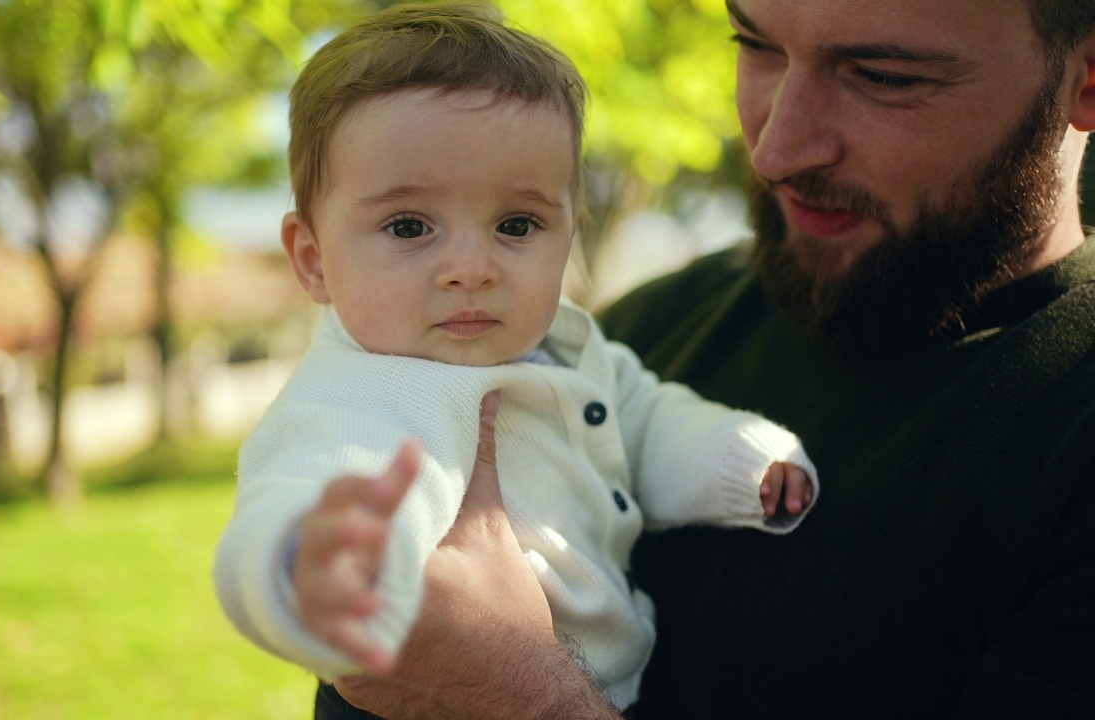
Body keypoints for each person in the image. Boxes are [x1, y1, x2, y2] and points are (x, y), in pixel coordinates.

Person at [328, 0, 1095, 717]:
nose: (776, 148)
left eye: (883, 77)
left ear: (1084, 80)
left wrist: (528, 699)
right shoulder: (644, 332)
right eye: (756, 46)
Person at [211, 2, 819, 715]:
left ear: (571, 231)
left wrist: (742, 461)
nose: (471, 267)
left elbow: (648, 420)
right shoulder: (362, 397)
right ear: (313, 260)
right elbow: (294, 499)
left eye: (517, 224)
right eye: (409, 226)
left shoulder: (564, 347)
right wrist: (306, 569)